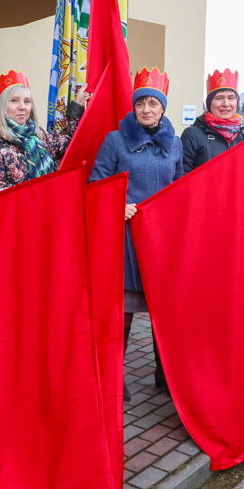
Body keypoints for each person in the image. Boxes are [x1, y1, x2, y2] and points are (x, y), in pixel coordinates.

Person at [88, 67, 184, 402]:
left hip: (161, 241)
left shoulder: (174, 144)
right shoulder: (115, 140)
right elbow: (95, 183)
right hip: (126, 239)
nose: (146, 109)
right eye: (141, 103)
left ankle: (165, 373)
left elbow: (179, 187)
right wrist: (118, 203)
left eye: (153, 104)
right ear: (134, 107)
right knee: (122, 313)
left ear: (162, 108)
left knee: (164, 311)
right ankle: (112, 377)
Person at [0, 70, 86, 196]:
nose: (22, 107)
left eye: (27, 101)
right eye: (14, 101)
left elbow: (70, 141)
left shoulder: (38, 135)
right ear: (3, 106)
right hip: (19, 214)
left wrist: (78, 104)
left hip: (49, 211)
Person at [181, 68, 244, 174]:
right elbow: (181, 178)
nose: (226, 104)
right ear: (209, 104)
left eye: (231, 98)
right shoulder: (193, 135)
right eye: (219, 98)